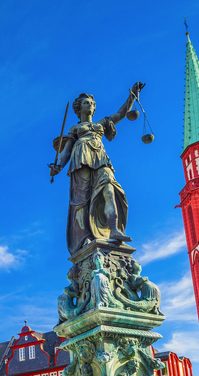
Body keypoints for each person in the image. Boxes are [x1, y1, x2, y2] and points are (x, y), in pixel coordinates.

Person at [49, 83, 144, 255]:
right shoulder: (76, 129)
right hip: (81, 159)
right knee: (82, 201)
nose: (90, 105)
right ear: (78, 109)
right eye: (86, 103)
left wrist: (132, 96)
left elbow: (121, 114)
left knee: (110, 190)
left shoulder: (102, 124)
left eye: (92, 103)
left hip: (100, 159)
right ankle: (84, 237)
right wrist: (58, 167)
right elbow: (66, 151)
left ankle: (114, 230)